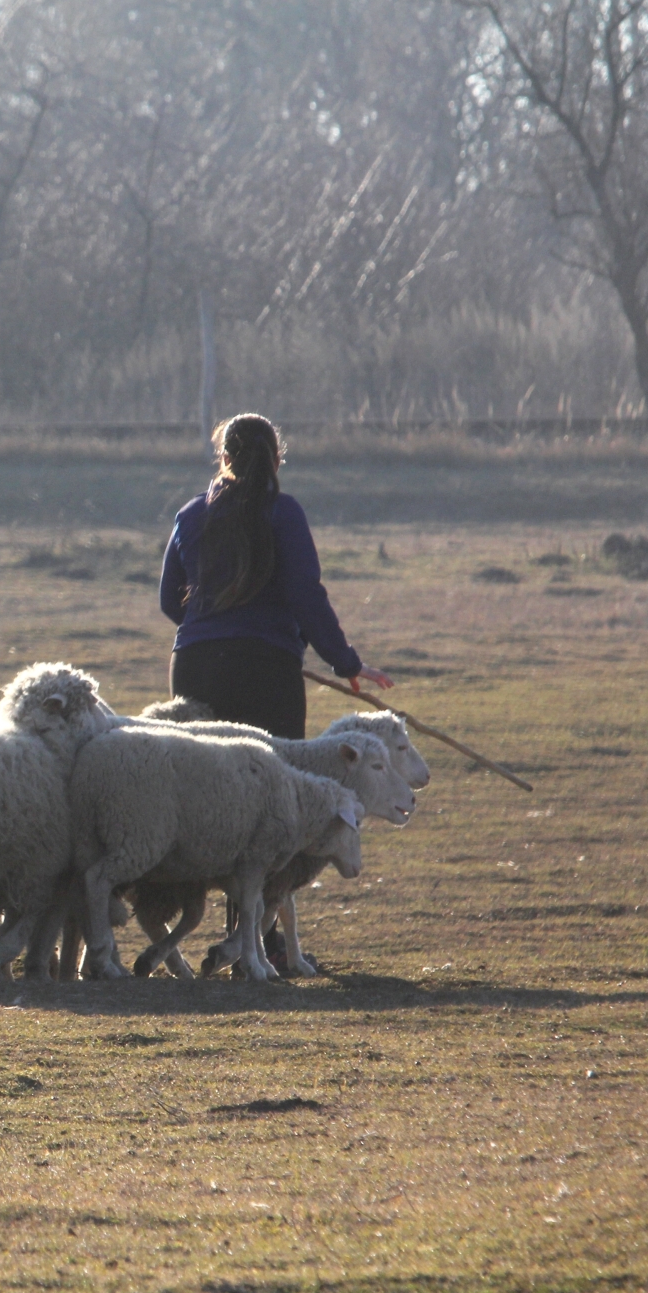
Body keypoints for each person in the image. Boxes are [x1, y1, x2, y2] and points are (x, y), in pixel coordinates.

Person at [157, 412, 392, 970]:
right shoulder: (283, 513)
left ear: (224, 458)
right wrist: (345, 664)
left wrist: (211, 629)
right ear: (276, 458)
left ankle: (192, 932)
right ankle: (258, 945)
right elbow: (306, 595)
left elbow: (172, 602)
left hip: (193, 666)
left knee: (198, 797)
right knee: (270, 808)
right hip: (265, 669)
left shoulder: (191, 515)